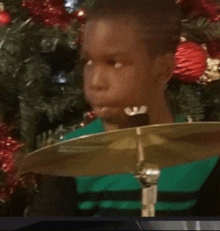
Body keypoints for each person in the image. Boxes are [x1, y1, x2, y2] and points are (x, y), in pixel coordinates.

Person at [25, 0, 220, 219]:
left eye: (114, 62)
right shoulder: (71, 156)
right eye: (88, 61)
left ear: (163, 69)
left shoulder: (207, 155)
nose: (96, 82)